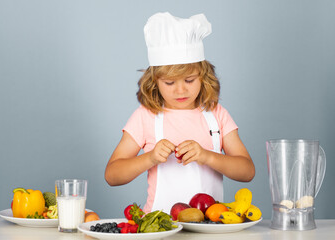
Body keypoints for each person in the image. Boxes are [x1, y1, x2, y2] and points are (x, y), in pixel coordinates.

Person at [105, 12, 255, 214]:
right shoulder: (145, 116)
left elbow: (247, 171)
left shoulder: (216, 114)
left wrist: (206, 156)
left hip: (210, 226)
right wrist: (150, 158)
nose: (180, 90)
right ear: (155, 82)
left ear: (203, 77)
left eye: (189, 80)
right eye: (169, 83)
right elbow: (112, 175)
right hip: (160, 228)